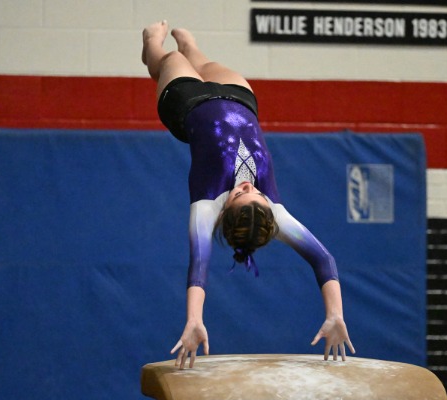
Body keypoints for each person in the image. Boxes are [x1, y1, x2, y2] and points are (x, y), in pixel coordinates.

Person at [142, 21, 355, 369]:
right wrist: (335, 314)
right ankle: (189, 42)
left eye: (241, 195)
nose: (248, 186)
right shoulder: (275, 212)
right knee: (196, 55)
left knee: (165, 60)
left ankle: (151, 42)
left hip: (185, 104)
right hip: (238, 97)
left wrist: (194, 319)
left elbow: (199, 267)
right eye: (256, 193)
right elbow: (323, 259)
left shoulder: (206, 207)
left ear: (225, 211)